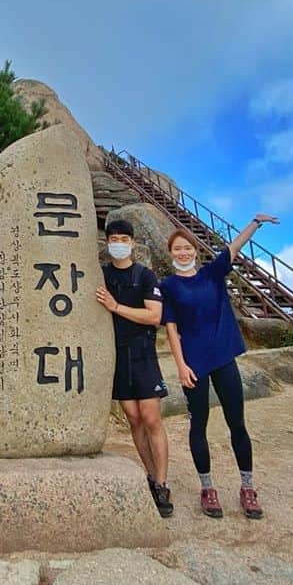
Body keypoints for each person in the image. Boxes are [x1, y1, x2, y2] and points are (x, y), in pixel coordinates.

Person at [160, 213, 279, 520]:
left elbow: (234, 247)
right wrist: (181, 366)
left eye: (187, 248)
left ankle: (247, 486)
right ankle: (207, 487)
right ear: (170, 253)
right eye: (177, 249)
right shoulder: (169, 286)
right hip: (194, 364)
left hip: (223, 357)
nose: (183, 253)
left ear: (195, 251)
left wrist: (254, 222)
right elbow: (171, 328)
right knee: (198, 426)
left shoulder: (212, 274)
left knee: (236, 423)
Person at [95, 219, 172, 518]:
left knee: (151, 418)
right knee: (133, 418)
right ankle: (151, 476)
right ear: (107, 243)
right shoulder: (101, 275)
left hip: (143, 354)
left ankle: (163, 482)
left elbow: (154, 316)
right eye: (113, 238)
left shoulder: (145, 275)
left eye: (123, 238)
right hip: (117, 354)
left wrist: (116, 308)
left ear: (132, 243)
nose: (118, 242)